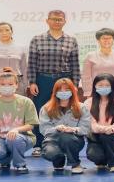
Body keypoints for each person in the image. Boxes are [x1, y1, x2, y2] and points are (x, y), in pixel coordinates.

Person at [27, 10, 81, 149]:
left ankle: (62, 141)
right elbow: (32, 63)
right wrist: (32, 82)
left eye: (60, 19)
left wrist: (75, 84)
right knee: (40, 110)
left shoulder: (71, 40)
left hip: (64, 80)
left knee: (64, 110)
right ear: (47, 21)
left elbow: (75, 64)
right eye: (54, 19)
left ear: (64, 22)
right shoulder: (37, 39)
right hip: (43, 80)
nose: (57, 22)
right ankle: (39, 144)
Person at [0, 69, 39, 172]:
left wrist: (16, 130)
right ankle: (5, 159)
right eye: (3, 84)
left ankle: (20, 164)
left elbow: (31, 124)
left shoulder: (26, 102)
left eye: (10, 84)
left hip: (22, 137)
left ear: (16, 85)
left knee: (14, 139)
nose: (6, 87)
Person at [38, 77, 90, 173]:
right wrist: (56, 129)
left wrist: (73, 129)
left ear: (72, 91)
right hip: (52, 140)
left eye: (67, 90)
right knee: (50, 153)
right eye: (60, 90)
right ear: (55, 92)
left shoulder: (82, 107)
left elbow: (86, 128)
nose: (63, 92)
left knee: (66, 137)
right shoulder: (46, 108)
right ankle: (59, 159)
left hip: (74, 140)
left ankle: (75, 164)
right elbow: (43, 129)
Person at [83, 73, 114, 172]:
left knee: (107, 136)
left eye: (107, 85)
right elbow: (90, 124)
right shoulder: (88, 103)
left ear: (113, 87)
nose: (104, 88)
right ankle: (103, 159)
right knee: (94, 155)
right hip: (96, 138)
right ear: (95, 86)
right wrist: (105, 129)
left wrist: (110, 130)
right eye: (100, 85)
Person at [81, 28, 114, 101]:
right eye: (103, 38)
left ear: (113, 40)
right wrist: (88, 93)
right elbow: (86, 77)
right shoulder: (90, 56)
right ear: (98, 40)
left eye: (109, 38)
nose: (107, 40)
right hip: (98, 91)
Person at [0, 22, 29, 98]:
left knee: (18, 104)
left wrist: (26, 85)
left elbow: (24, 69)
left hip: (16, 82)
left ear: (12, 32)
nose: (4, 33)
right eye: (1, 31)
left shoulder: (21, 48)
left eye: (7, 30)